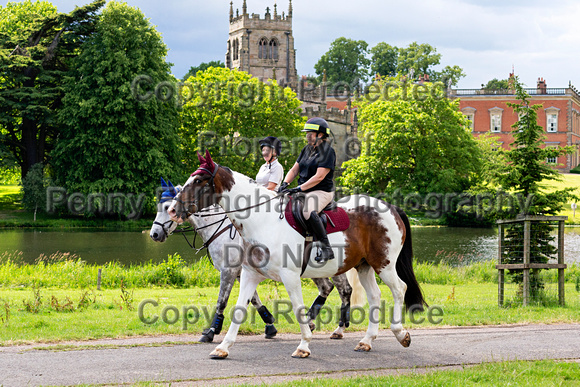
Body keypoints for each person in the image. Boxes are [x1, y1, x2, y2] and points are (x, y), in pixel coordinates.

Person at [278, 117, 336, 262]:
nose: (307, 135)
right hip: (302, 190)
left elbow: (319, 177)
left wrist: (298, 188)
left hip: (321, 191)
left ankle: (326, 249)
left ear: (320, 134)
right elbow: (294, 169)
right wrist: (285, 183)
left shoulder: (327, 151)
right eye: (307, 133)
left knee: (307, 211)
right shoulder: (306, 149)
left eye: (310, 133)